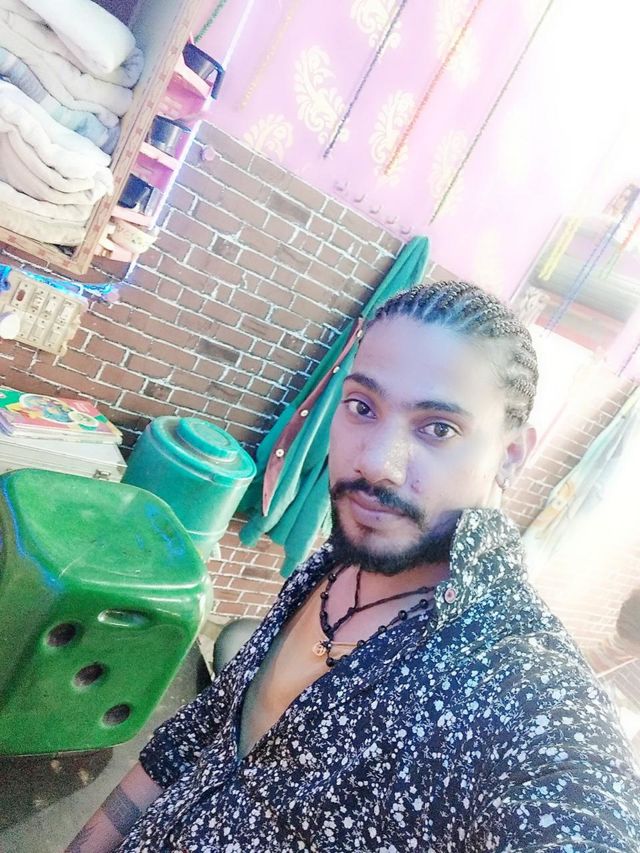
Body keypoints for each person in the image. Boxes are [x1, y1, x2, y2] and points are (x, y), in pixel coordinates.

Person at [66, 281, 640, 852]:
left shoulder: (513, 683)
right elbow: (198, 733)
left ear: (510, 455)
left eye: (438, 428)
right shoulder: (337, 560)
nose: (377, 464)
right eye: (363, 407)